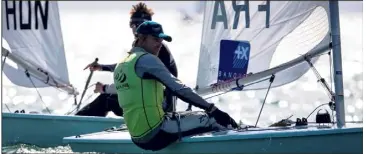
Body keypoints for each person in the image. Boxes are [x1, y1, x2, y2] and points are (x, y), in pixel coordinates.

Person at [113, 20, 239, 151]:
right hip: (155, 133)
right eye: (155, 39)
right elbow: (178, 89)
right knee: (214, 119)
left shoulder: (121, 65)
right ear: (142, 39)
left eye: (161, 41)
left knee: (192, 116)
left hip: (137, 136)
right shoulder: (146, 59)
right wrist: (212, 109)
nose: (159, 45)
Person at [75, 2, 178, 117]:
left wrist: (104, 88)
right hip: (153, 102)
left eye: (138, 24)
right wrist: (102, 67)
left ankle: (76, 124)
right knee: (110, 97)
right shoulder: (145, 45)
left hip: (159, 107)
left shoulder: (154, 48)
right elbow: (127, 67)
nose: (134, 28)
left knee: (106, 99)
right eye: (132, 24)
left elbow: (130, 81)